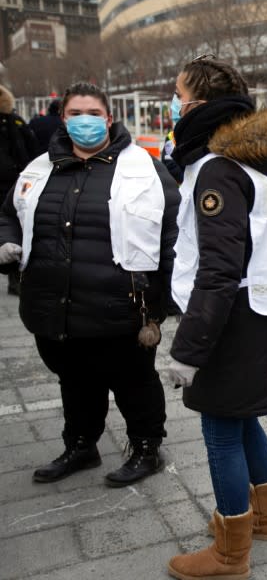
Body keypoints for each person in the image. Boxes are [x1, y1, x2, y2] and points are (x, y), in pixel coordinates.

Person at [162, 55, 267, 580]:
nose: (175, 107)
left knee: (220, 429)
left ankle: (231, 552)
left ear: (200, 106)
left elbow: (217, 272)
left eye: (179, 98)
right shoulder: (263, 160)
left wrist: (188, 349)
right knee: (243, 415)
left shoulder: (219, 170)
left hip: (231, 320)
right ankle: (263, 521)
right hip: (264, 315)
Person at [0, 82, 180, 487]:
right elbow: (9, 213)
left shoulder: (144, 167)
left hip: (123, 306)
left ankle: (146, 448)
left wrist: (168, 298)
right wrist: (5, 243)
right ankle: (81, 445)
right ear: (63, 119)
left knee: (134, 382)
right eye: (76, 113)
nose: (85, 121)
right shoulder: (39, 167)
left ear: (109, 118)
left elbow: (174, 230)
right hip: (55, 304)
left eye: (94, 113)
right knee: (75, 380)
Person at [0, 84, 39, 295]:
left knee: (14, 226)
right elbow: (30, 148)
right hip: (16, 179)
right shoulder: (16, 122)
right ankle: (15, 277)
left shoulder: (15, 123)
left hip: (16, 182)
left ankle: (15, 274)